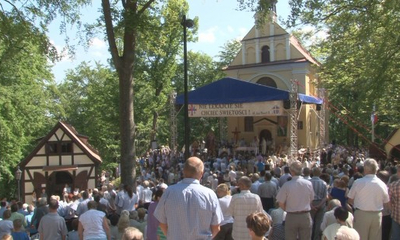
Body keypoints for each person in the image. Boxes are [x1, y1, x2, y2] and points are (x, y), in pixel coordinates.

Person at [154, 157, 223, 239]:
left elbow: (162, 224)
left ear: (183, 172)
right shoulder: (210, 195)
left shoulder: (169, 192)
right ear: (202, 173)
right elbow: (216, 227)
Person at [347, 158, 390, 240]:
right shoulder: (382, 184)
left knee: (360, 237)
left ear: (365, 169)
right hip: (377, 215)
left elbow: (350, 200)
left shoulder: (358, 182)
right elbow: (386, 202)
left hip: (361, 214)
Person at [276, 161, 314, 240]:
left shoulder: (287, 185)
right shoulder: (308, 184)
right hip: (305, 215)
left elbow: (280, 202)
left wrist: (288, 209)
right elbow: (311, 199)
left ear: (291, 171)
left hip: (291, 216)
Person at [309, 167, 328, 240]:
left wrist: (312, 205)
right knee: (318, 223)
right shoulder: (324, 183)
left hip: (311, 203)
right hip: (320, 204)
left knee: (310, 223)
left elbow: (306, 195)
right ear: (320, 174)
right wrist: (319, 205)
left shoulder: (308, 182)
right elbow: (325, 197)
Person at [389, 164, 400, 240]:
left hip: (396, 216)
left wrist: (392, 210)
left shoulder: (393, 185)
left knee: (395, 237)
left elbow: (389, 201)